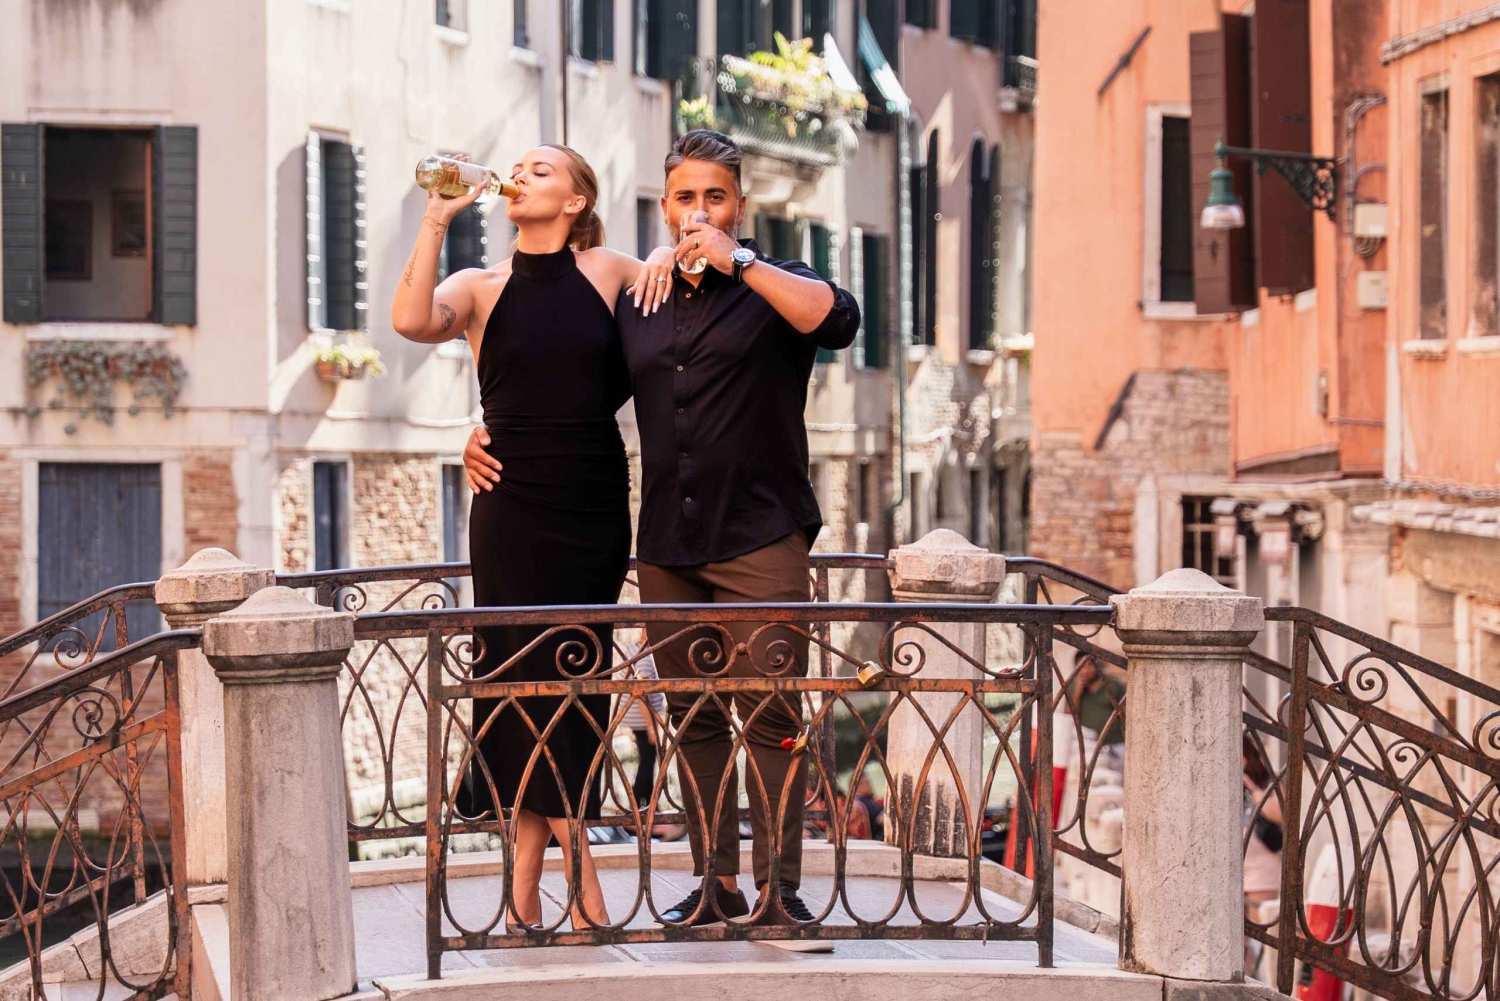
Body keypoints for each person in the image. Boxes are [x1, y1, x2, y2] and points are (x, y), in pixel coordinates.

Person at [464, 130, 860, 946]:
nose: (699, 212)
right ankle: (712, 888)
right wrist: (479, 431)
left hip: (761, 532)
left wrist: (737, 260)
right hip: (668, 545)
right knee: (695, 718)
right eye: (685, 197)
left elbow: (837, 320)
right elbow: (551, 371)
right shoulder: (638, 294)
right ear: (664, 203)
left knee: (773, 714)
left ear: (738, 206)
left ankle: (779, 892)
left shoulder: (777, 284)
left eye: (715, 198)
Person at [392, 145, 675, 931]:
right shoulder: (480, 286)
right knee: (516, 680)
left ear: (578, 199)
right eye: (519, 166)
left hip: (590, 501)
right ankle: (576, 875)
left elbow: (673, 283)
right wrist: (437, 217)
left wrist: (658, 248)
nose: (523, 174)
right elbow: (411, 320)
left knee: (577, 679)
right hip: (509, 502)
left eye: (544, 168)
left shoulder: (612, 269)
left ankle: (522, 885)